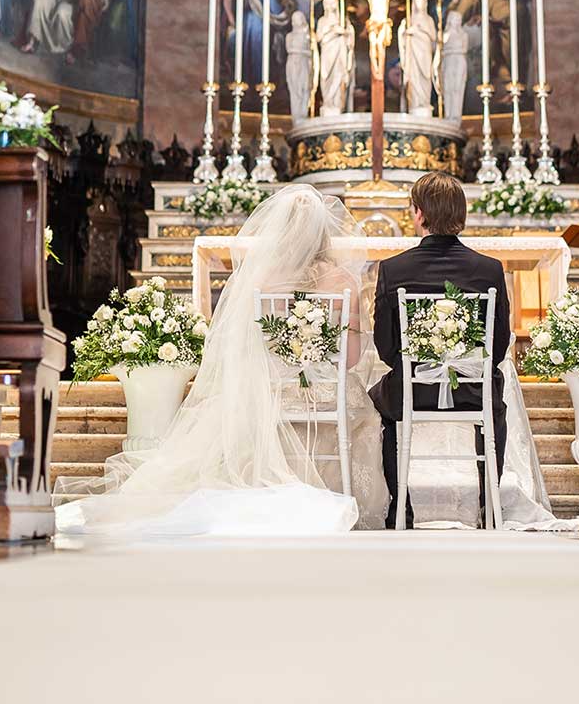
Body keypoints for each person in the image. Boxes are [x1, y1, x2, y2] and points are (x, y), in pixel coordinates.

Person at [56, 185, 384, 537]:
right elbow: (349, 359)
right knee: (365, 416)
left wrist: (283, 367)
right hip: (324, 395)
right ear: (324, 233)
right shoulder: (343, 280)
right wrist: (313, 361)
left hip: (268, 395)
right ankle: (339, 492)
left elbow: (246, 348)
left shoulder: (260, 277)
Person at [370, 173, 513, 528]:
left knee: (380, 405)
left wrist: (419, 367)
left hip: (412, 390)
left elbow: (386, 348)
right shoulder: (489, 270)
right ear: (461, 214)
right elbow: (497, 348)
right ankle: (488, 506)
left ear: (418, 214)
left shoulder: (393, 269)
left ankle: (399, 507)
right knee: (495, 398)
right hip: (472, 389)